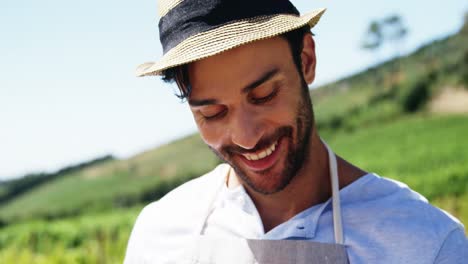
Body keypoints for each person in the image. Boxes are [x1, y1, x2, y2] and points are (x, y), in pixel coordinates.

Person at [124, 0, 468, 263]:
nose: (245, 137)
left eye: (264, 95)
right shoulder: (159, 234)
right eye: (212, 113)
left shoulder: (427, 244)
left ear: (306, 59)